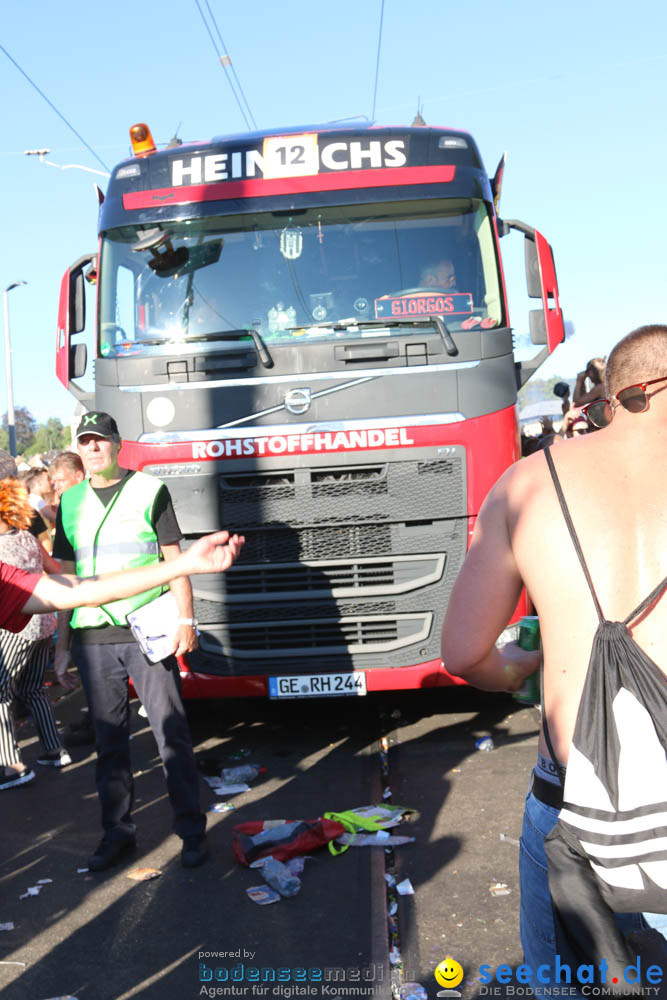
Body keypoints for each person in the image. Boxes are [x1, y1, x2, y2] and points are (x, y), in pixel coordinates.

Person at [441, 325, 666, 991]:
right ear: (643, 391)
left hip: (575, 800)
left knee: (570, 982)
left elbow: (462, 653)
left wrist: (511, 669)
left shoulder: (527, 484)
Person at [51, 411, 221, 872]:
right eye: (84, 442)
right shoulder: (69, 502)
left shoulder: (149, 489)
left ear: (116, 444)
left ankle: (191, 831)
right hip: (92, 637)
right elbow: (66, 580)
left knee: (172, 735)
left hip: (147, 631)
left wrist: (187, 618)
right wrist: (61, 645)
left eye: (99, 441)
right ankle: (117, 833)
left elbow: (175, 560)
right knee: (110, 745)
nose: (92, 448)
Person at [0, 478, 72, 790]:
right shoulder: (27, 538)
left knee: (1, 693)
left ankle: (10, 765)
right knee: (33, 689)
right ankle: (54, 749)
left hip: (16, 626)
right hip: (44, 623)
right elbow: (56, 569)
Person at [48, 451, 95, 747]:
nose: (56, 488)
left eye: (60, 481)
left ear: (79, 477)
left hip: (94, 615)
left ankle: (97, 724)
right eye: (53, 483)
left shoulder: (75, 506)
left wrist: (62, 644)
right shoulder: (73, 504)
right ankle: (95, 719)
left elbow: (68, 574)